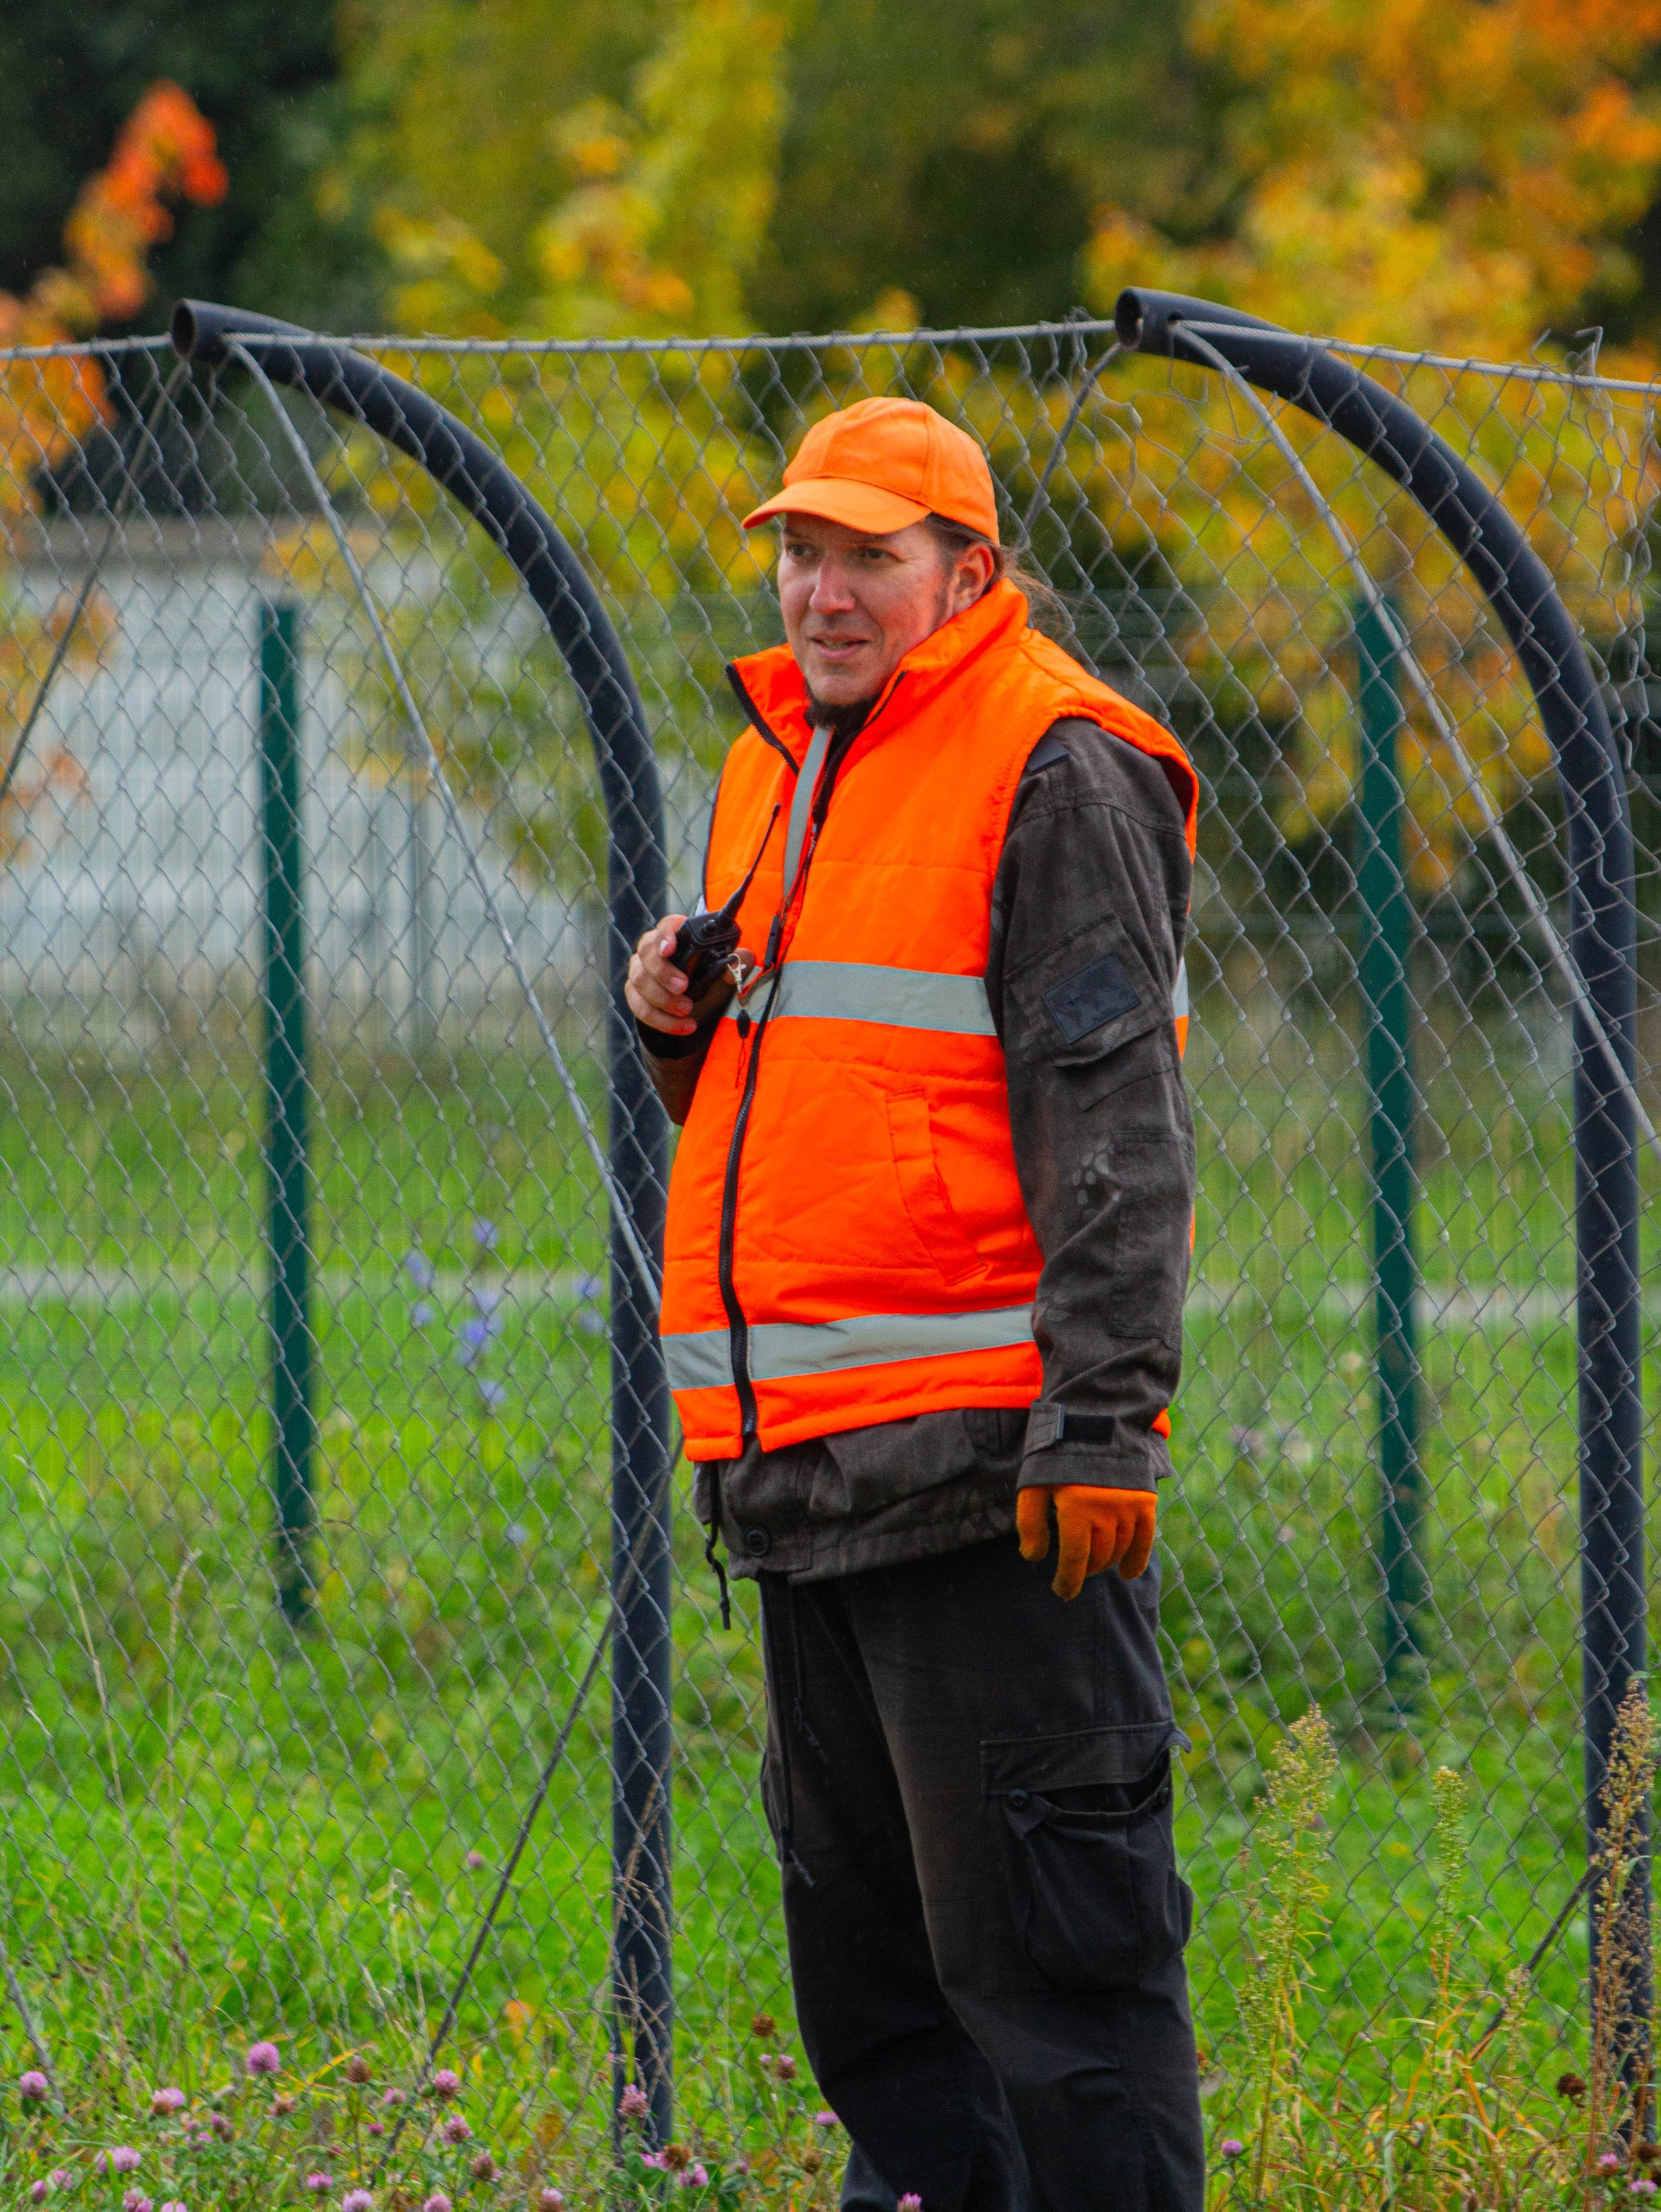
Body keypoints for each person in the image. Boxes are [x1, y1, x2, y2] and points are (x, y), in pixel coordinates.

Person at [626, 395, 1202, 2212]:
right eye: (801, 552)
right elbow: (828, 1099)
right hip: (805, 1477)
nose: (823, 590)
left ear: (967, 571)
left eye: (870, 556)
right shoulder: (780, 762)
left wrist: (1101, 1422)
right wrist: (675, 1030)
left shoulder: (1055, 762)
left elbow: (1115, 1117)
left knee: (1056, 1992)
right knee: (883, 2016)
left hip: (986, 1478)